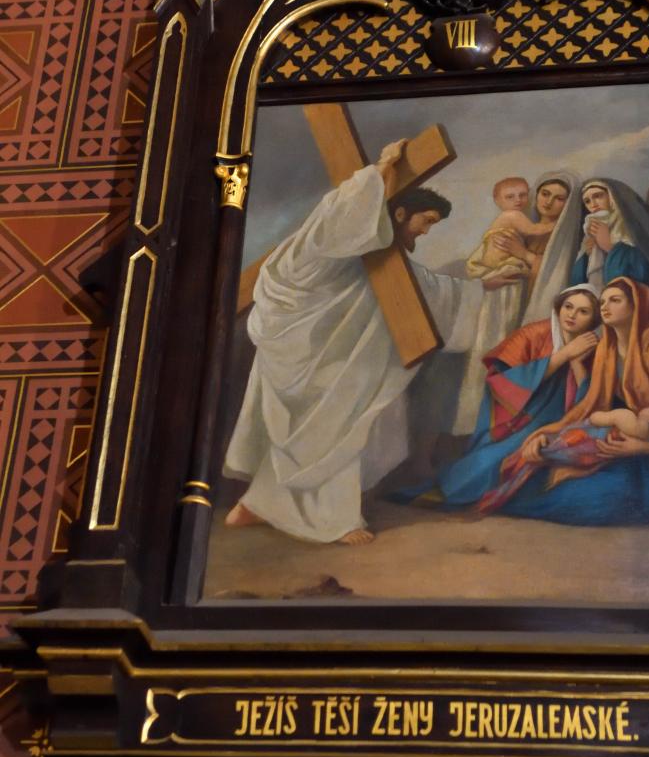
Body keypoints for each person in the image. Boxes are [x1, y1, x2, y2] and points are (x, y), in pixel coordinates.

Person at [222, 139, 517, 546]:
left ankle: (255, 505)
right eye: (426, 220)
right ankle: (334, 521)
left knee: (339, 429)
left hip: (342, 360)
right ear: (399, 212)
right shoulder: (325, 242)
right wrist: (379, 171)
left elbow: (422, 288)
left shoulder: (384, 260)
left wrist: (482, 286)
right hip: (312, 356)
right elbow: (338, 219)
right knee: (333, 429)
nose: (426, 231)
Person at [505, 277, 649, 526]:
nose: (605, 307)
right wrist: (551, 436)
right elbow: (591, 403)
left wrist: (645, 447)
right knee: (537, 474)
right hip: (612, 445)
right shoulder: (607, 348)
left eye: (614, 300)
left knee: (601, 497)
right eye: (603, 301)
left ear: (637, 306)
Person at [419, 285, 601, 508]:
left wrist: (577, 362)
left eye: (583, 312)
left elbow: (592, 398)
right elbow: (502, 380)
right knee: (500, 457)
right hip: (519, 417)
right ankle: (450, 491)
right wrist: (564, 355)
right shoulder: (533, 333)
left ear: (594, 319)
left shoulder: (594, 346)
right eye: (568, 306)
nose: (572, 315)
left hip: (561, 420)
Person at [451, 171, 573, 435]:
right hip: (507, 304)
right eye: (545, 194)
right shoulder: (521, 226)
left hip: (537, 311)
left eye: (559, 198)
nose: (549, 202)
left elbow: (558, 278)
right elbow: (488, 264)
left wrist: (523, 255)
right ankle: (481, 422)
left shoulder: (565, 236)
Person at [569, 178, 649, 328]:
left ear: (612, 196)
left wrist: (611, 248)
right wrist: (587, 256)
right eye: (587, 201)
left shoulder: (633, 226)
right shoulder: (591, 229)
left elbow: (648, 270)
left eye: (598, 196)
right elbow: (577, 282)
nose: (593, 204)